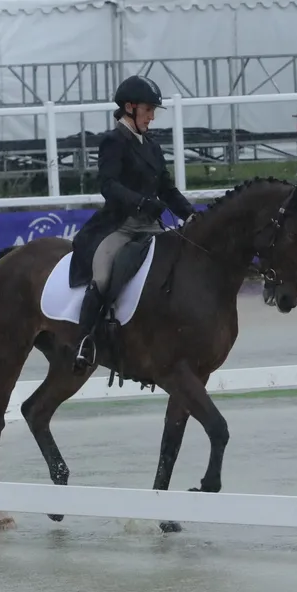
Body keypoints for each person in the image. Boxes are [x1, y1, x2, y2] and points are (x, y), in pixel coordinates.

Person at [67, 74, 197, 374]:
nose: (152, 116)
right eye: (148, 110)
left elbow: (167, 189)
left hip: (151, 227)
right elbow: (109, 185)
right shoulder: (113, 142)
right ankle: (85, 341)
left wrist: (190, 214)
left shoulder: (152, 146)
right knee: (102, 278)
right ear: (129, 107)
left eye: (153, 111)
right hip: (120, 226)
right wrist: (140, 202)